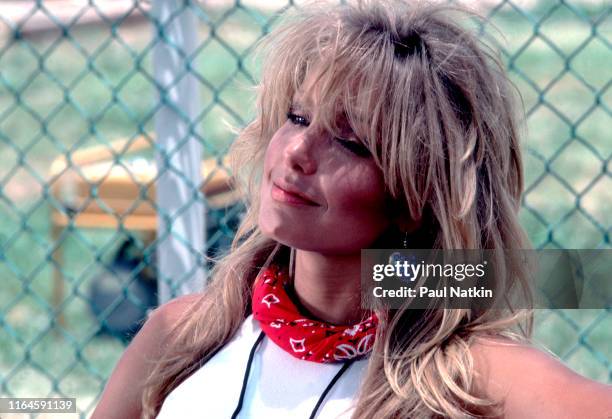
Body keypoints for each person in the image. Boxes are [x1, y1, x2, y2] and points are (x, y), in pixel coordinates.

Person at [92, 1, 612, 418]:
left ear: (415, 199)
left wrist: (423, 281)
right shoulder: (183, 334)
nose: (297, 152)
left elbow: (567, 283)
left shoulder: (466, 375)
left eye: (351, 142)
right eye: (297, 117)